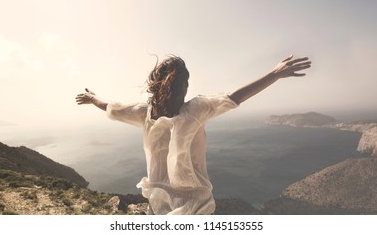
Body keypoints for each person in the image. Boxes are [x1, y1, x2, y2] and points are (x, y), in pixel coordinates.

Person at [75, 55, 311, 215]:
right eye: (185, 83)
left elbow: (111, 108)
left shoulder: (151, 113)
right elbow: (235, 97)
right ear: (175, 86)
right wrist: (274, 74)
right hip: (181, 208)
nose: (187, 88)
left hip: (175, 209)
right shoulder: (191, 110)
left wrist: (93, 98)